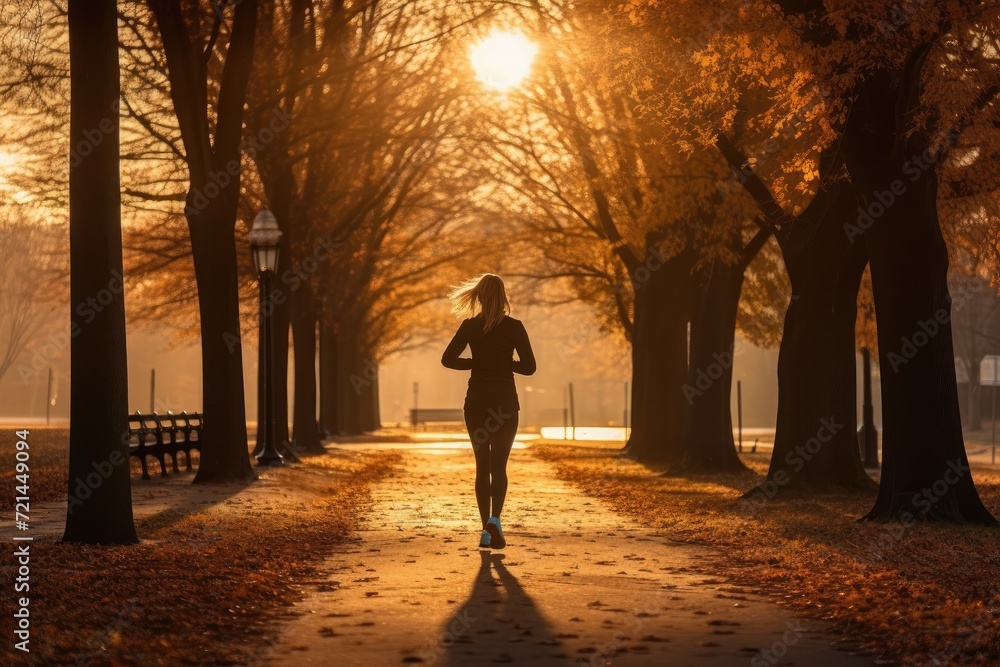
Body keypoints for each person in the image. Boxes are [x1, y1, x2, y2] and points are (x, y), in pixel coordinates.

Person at [442, 274, 536, 549]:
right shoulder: (515, 327)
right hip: (505, 404)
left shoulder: (470, 327)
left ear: (479, 297)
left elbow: (447, 359)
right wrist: (505, 363)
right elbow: (530, 367)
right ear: (504, 295)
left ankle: (485, 530)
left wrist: (477, 362)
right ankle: (496, 519)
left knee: (482, 467)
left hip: (477, 403)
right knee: (500, 466)